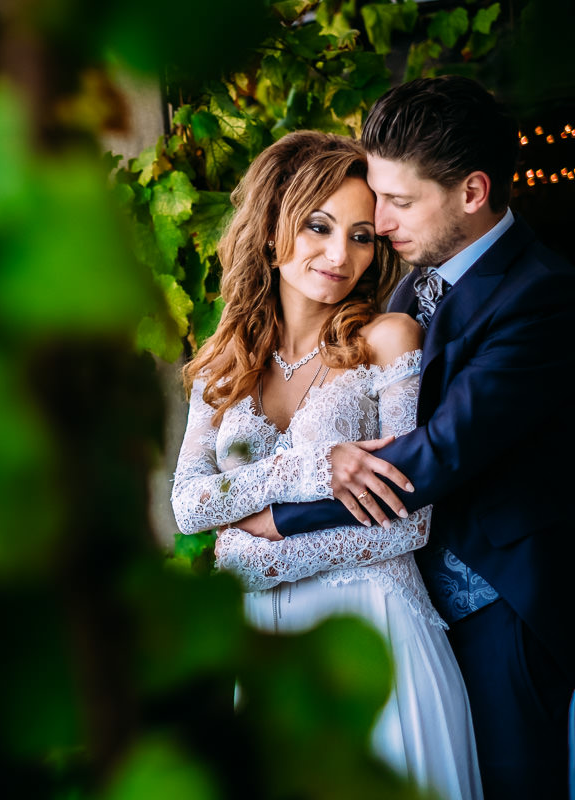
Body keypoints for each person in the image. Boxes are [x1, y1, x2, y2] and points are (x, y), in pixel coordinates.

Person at [233, 76, 575, 799]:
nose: (379, 222)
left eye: (398, 201)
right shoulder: (411, 285)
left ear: (473, 192)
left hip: (499, 607)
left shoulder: (542, 295)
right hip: (410, 604)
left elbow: (435, 455)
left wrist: (278, 515)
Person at [170, 129, 482, 800]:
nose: (340, 254)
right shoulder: (223, 362)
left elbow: (405, 525)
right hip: (265, 649)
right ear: (275, 218)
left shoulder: (387, 340)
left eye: (363, 235)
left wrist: (254, 546)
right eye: (319, 226)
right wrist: (310, 468)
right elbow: (190, 504)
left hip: (377, 636)